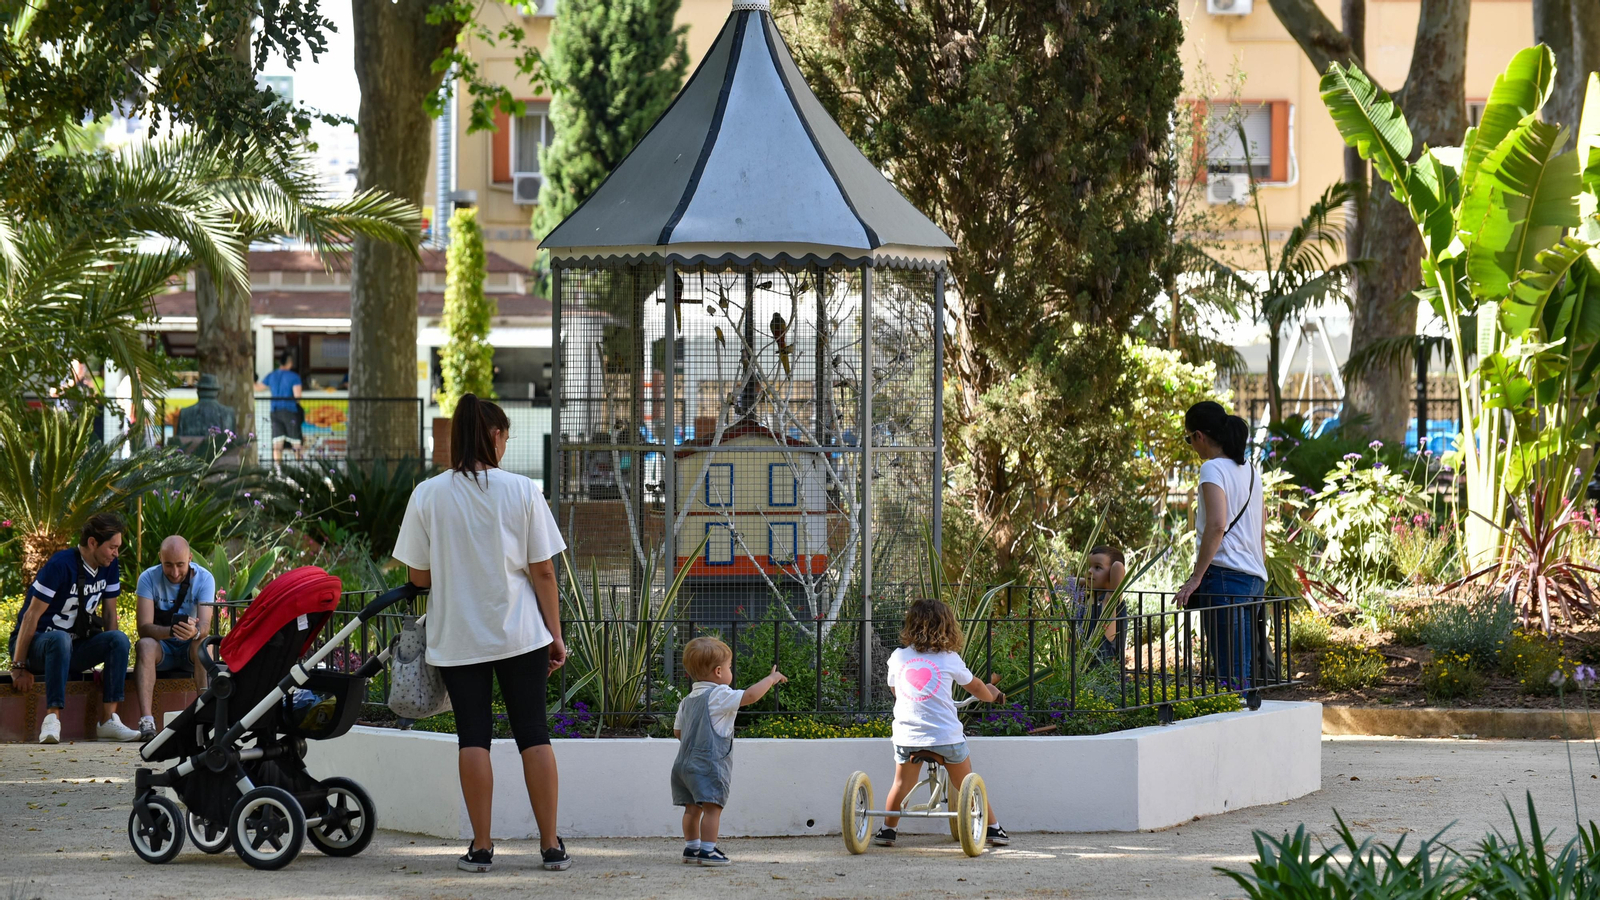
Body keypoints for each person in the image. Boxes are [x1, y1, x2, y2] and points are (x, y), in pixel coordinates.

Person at [391, 393, 572, 873]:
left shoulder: (427, 494)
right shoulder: (523, 490)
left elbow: (419, 577)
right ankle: (550, 846)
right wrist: (555, 636)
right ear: (494, 435)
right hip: (520, 634)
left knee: (472, 737)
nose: (505, 445)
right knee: (533, 733)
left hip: (458, 636)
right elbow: (544, 572)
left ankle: (482, 847)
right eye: (506, 437)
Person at [874, 597, 1009, 848]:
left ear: (910, 625)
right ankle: (993, 828)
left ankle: (887, 830)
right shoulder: (950, 658)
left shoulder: (898, 657)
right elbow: (976, 687)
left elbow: (896, 690)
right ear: (947, 627)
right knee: (966, 781)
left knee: (901, 784)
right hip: (945, 738)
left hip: (908, 738)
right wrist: (990, 695)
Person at [7, 513, 140, 743]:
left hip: (72, 646)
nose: (116, 553)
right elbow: (31, 616)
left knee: (118, 639)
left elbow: (109, 614)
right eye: (112, 547)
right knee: (60, 639)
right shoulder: (60, 565)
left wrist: (111, 661)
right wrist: (18, 665)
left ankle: (108, 720)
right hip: (38, 646)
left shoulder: (109, 565)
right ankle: (52, 719)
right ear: (92, 543)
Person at [1173, 400, 1267, 693]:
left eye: (1189, 439)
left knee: (1230, 674)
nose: (1191, 445)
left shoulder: (1212, 469)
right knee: (1241, 671)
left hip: (1226, 576)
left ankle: (1233, 719)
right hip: (1253, 578)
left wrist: (1196, 578)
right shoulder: (1251, 472)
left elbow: (1217, 525)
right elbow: (1262, 531)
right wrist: (1259, 570)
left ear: (1199, 435)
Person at [670, 637, 787, 867]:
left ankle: (691, 848)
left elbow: (678, 732)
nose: (730, 671)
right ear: (718, 671)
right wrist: (771, 679)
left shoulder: (687, 700)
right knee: (712, 808)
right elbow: (750, 696)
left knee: (691, 809)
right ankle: (708, 851)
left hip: (683, 765)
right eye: (729, 667)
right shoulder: (719, 694)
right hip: (708, 765)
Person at [132, 536, 215, 741]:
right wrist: (173, 631)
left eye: (180, 565)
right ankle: (147, 721)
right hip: (162, 648)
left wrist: (194, 632)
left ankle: (205, 715)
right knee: (144, 645)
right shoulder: (148, 578)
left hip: (190, 648)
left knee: (204, 644)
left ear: (190, 558)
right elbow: (143, 628)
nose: (175, 573)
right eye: (168, 565)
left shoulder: (205, 578)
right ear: (160, 558)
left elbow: (205, 625)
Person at [254, 353, 303, 467]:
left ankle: (278, 469)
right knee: (296, 441)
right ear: (290, 362)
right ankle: (300, 467)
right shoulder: (294, 377)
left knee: (277, 443)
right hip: (290, 411)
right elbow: (298, 397)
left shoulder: (272, 375)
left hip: (275, 411)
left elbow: (258, 388)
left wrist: (251, 379)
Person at [1087, 546, 1128, 667]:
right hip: (1080, 672)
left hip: (1102, 673)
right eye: (1088, 566)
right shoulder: (1087, 598)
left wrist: (1110, 578)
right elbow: (1072, 581)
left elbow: (1118, 567)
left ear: (1111, 574)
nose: (1089, 571)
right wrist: (1087, 581)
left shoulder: (1109, 600)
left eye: (1097, 567)